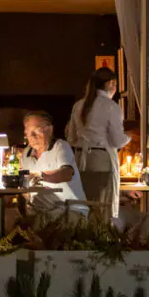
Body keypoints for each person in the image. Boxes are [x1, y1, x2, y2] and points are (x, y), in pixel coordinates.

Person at [68, 67, 126, 224]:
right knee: (102, 203)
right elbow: (117, 140)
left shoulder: (79, 105)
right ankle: (100, 240)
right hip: (101, 158)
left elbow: (71, 137)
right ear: (111, 83)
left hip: (80, 158)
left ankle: (81, 239)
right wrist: (128, 139)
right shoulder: (110, 106)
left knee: (83, 201)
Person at [20, 111, 86, 218]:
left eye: (37, 130)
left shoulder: (60, 147)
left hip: (69, 208)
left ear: (50, 130)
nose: (32, 136)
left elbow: (67, 173)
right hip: (39, 208)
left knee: (37, 216)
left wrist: (39, 175)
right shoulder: (26, 154)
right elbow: (23, 184)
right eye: (28, 132)